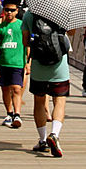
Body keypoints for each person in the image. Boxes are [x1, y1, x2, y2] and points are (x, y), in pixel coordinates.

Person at [22, 12, 73, 158]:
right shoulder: (62, 12)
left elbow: (25, 42)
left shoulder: (29, 15)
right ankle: (55, 134)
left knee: (39, 101)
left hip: (38, 65)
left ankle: (43, 140)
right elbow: (72, 33)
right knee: (60, 101)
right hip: (59, 65)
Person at [0, 0, 26, 128]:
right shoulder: (1, 27)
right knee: (5, 89)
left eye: (12, 10)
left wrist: (28, 62)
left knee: (17, 88)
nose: (9, 12)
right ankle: (9, 113)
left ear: (17, 11)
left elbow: (27, 44)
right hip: (3, 62)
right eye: (7, 10)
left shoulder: (22, 25)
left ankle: (17, 114)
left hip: (17, 62)